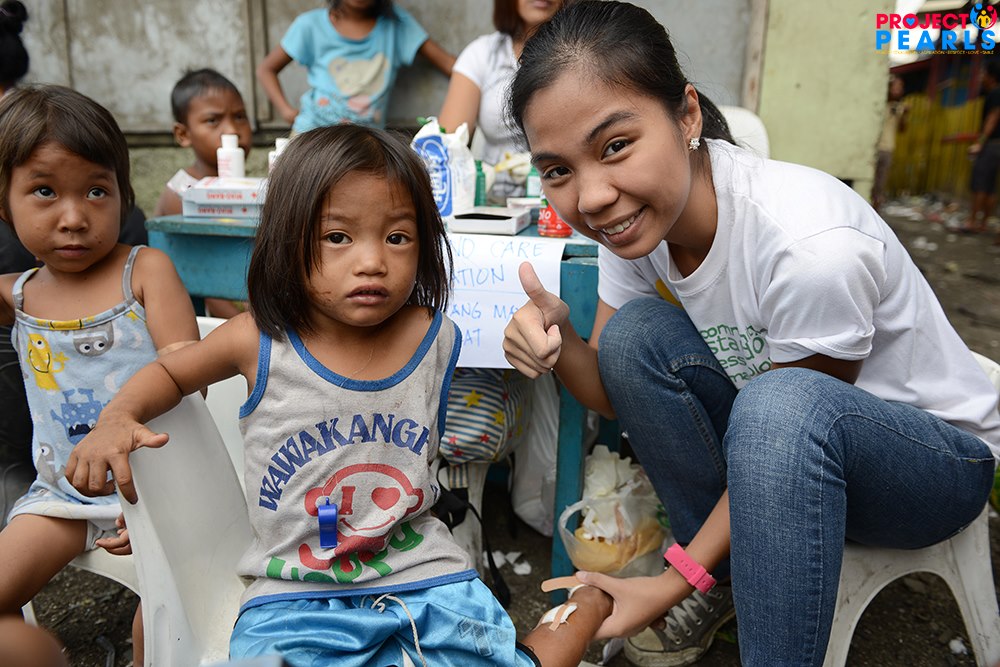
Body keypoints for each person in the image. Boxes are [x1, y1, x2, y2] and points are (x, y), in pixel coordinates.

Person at [501, 3, 1000, 666]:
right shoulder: (635, 224)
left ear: (687, 116)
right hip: (788, 448)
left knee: (776, 406)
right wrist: (557, 341)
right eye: (558, 170)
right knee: (633, 338)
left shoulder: (809, 247)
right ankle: (728, 580)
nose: (591, 196)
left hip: (934, 471)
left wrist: (672, 579)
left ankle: (716, 588)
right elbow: (612, 393)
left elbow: (788, 428)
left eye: (615, 145)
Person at [66, 124, 612, 667]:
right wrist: (118, 416)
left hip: (425, 577)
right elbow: (170, 373)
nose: (372, 261)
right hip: (294, 593)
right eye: (337, 237)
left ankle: (587, 605)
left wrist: (542, 331)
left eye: (397, 237)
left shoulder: (435, 336)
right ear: (289, 240)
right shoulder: (256, 339)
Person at [0, 85, 199, 662]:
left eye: (96, 190)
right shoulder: (18, 294)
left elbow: (190, 371)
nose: (74, 217)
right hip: (61, 497)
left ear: (121, 195)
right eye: (44, 191)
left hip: (161, 491)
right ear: (4, 204)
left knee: (163, 627)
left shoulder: (146, 271)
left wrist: (167, 510)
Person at [256, 0, 455, 133]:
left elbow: (449, 63)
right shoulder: (310, 25)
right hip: (312, 133)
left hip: (366, 142)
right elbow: (266, 69)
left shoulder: (396, 25)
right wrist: (286, 111)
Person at [438, 0, 563, 202]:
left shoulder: (582, 52)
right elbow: (446, 144)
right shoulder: (482, 54)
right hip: (494, 202)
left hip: (561, 202)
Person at [154, 68, 254, 319]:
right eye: (213, 120)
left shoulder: (247, 189)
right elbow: (206, 278)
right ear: (183, 134)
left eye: (240, 116)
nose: (232, 129)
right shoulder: (183, 192)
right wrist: (250, 327)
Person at [965, 60, 1000, 234]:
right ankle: (984, 223)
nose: (980, 77)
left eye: (983, 73)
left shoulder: (995, 94)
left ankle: (973, 222)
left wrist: (980, 142)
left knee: (980, 184)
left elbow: (993, 117)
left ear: (991, 76)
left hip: (992, 145)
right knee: (990, 187)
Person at [871, 74, 907, 213]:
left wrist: (904, 115)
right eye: (896, 86)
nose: (898, 90)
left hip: (887, 149)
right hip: (873, 148)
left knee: (880, 184)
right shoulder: (879, 103)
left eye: (900, 87)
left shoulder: (899, 108)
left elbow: (903, 129)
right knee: (869, 182)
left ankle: (875, 211)